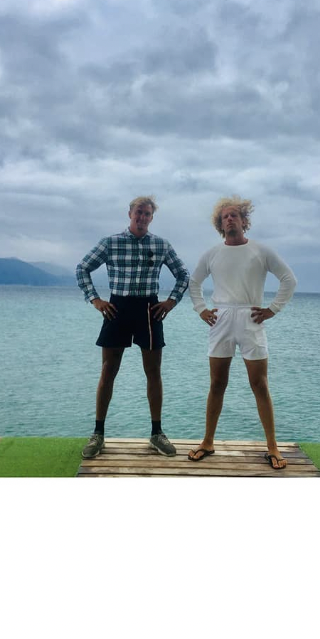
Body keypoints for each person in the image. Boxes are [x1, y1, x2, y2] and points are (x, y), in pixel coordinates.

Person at [75, 196, 190, 459]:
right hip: (117, 308)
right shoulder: (110, 242)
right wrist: (95, 299)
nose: (142, 217)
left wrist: (171, 302)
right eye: (139, 212)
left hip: (149, 310)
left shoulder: (161, 245)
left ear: (152, 218)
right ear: (130, 214)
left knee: (153, 372)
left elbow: (183, 274)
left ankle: (156, 434)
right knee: (108, 370)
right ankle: (98, 434)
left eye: (147, 214)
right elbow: (83, 268)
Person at [187, 197, 297, 469]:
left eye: (234, 215)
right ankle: (208, 442)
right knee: (217, 384)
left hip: (251, 318)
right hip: (221, 317)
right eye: (225, 216)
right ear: (220, 224)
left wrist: (273, 309)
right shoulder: (212, 253)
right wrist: (202, 309)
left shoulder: (261, 251)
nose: (229, 219)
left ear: (244, 221)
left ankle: (272, 447)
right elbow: (194, 282)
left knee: (259, 384)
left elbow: (289, 279)